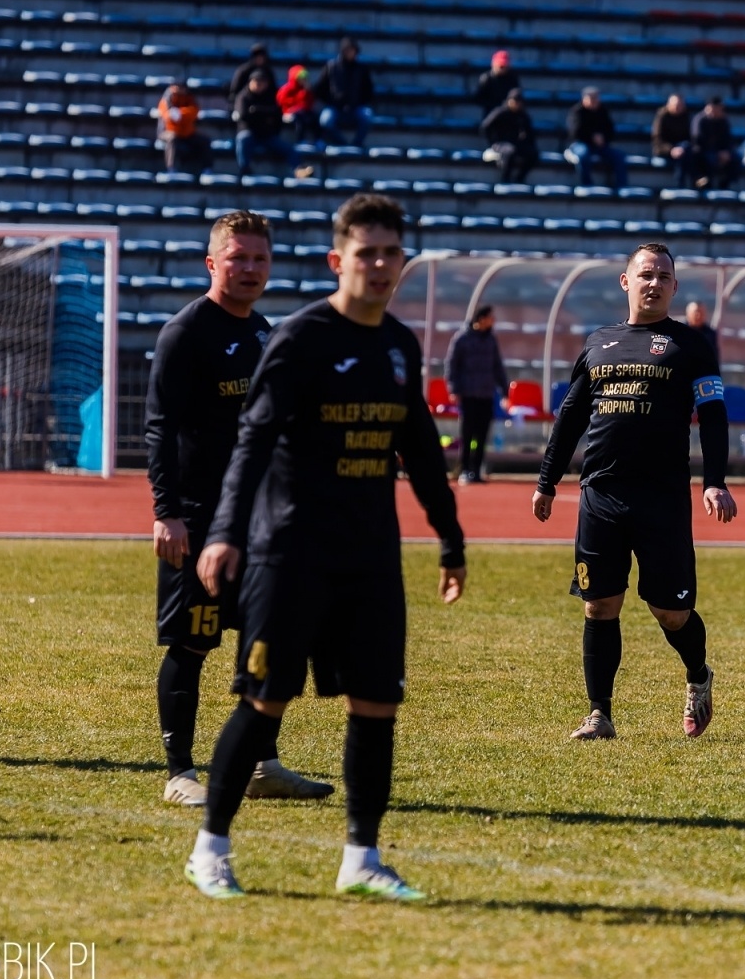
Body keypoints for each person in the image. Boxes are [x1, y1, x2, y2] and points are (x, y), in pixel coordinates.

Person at [186, 194, 468, 901]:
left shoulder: (398, 345)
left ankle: (361, 859)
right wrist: (224, 533)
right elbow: (252, 440)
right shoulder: (302, 338)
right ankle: (210, 850)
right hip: (290, 552)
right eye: (366, 253)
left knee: (376, 705)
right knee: (264, 700)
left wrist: (450, 538)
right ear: (337, 261)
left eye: (391, 253)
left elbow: (420, 450)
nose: (380, 265)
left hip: (369, 558)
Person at [146, 210, 332, 808]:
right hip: (199, 517)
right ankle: (180, 772)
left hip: (261, 518)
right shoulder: (184, 333)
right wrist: (166, 512)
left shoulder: (263, 333)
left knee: (267, 637)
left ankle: (262, 765)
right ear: (212, 263)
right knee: (192, 641)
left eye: (259, 259)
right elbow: (159, 428)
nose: (249, 269)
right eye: (237, 258)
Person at [533, 243, 737, 741]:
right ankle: (599, 714)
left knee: (672, 612)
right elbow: (571, 417)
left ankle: (698, 675)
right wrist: (547, 480)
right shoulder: (598, 342)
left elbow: (713, 417)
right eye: (646, 274)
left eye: (664, 276)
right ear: (626, 281)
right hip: (601, 494)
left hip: (662, 499)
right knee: (599, 604)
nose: (654, 283)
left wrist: (714, 481)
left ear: (674, 287)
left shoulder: (691, 346)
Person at [444, 304, 508, 484]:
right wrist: (454, 389)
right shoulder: (462, 338)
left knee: (482, 434)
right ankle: (464, 469)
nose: (493, 321)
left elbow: (497, 366)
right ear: (481, 319)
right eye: (490, 317)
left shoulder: (491, 340)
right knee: (467, 433)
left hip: (486, 394)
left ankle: (476, 470)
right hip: (468, 393)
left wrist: (504, 391)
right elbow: (451, 364)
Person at [311, 37, 375, 147]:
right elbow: (319, 88)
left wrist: (358, 101)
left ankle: (357, 144)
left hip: (356, 107)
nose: (350, 53)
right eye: (347, 50)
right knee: (325, 120)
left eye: (352, 50)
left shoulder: (362, 69)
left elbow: (368, 89)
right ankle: (343, 144)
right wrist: (331, 100)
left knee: (367, 116)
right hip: (335, 107)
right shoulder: (331, 67)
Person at [233, 68, 298, 176]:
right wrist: (265, 116)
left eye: (262, 82)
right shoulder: (243, 96)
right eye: (256, 81)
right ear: (250, 82)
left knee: (290, 149)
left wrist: (255, 111)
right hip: (250, 132)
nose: (259, 84)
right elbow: (243, 116)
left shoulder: (271, 96)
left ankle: (298, 170)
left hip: (267, 134)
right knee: (242, 139)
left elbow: (277, 115)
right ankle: (244, 169)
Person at [566, 86, 628, 189]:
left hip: (600, 145)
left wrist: (603, 138)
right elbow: (574, 133)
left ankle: (622, 186)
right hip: (581, 143)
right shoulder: (577, 112)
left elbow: (610, 130)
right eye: (592, 98)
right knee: (583, 156)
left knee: (619, 156)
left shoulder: (602, 111)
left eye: (596, 98)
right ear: (584, 99)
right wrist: (592, 137)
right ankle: (587, 185)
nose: (594, 101)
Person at [479, 87, 537, 184]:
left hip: (515, 142)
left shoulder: (522, 115)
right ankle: (505, 178)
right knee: (510, 152)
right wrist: (492, 142)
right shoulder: (500, 112)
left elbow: (529, 132)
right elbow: (485, 127)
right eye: (515, 101)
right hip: (500, 143)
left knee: (533, 154)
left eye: (519, 102)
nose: (517, 104)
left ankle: (520, 178)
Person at [158, 82, 212, 175]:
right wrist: (180, 117)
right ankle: (171, 168)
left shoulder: (189, 97)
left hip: (187, 133)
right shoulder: (167, 98)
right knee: (172, 138)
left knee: (205, 141)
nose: (180, 90)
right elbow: (168, 116)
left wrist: (180, 114)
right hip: (167, 131)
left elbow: (194, 111)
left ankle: (207, 169)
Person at [690, 96, 738, 190]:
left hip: (720, 151)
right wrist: (718, 153)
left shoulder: (723, 120)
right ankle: (705, 185)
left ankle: (725, 184)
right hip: (703, 151)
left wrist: (726, 151)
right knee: (710, 158)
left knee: (735, 158)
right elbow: (698, 140)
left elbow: (728, 139)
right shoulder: (700, 119)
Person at [652, 93, 694, 188]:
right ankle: (683, 184)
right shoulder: (662, 117)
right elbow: (657, 140)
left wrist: (681, 148)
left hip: (683, 149)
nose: (677, 108)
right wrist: (671, 150)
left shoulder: (686, 117)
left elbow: (691, 137)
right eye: (675, 105)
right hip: (665, 150)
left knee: (686, 151)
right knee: (682, 156)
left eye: (680, 105)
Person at [276, 64, 320, 145]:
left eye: (305, 78)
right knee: (300, 119)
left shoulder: (306, 89)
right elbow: (281, 101)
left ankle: (317, 140)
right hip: (288, 113)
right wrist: (295, 105)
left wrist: (307, 92)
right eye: (301, 78)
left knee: (314, 117)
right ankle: (300, 140)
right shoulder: (286, 89)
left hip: (303, 111)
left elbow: (309, 103)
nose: (303, 80)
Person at [474, 50, 520, 118]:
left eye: (504, 66)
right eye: (500, 66)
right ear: (494, 64)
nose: (502, 69)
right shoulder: (486, 79)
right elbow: (478, 98)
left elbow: (517, 96)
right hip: (490, 114)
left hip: (508, 115)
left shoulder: (512, 78)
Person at [684, 300, 719, 366]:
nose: (699, 315)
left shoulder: (710, 334)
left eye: (702, 313)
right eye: (696, 312)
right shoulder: (679, 331)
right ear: (688, 314)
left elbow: (714, 356)